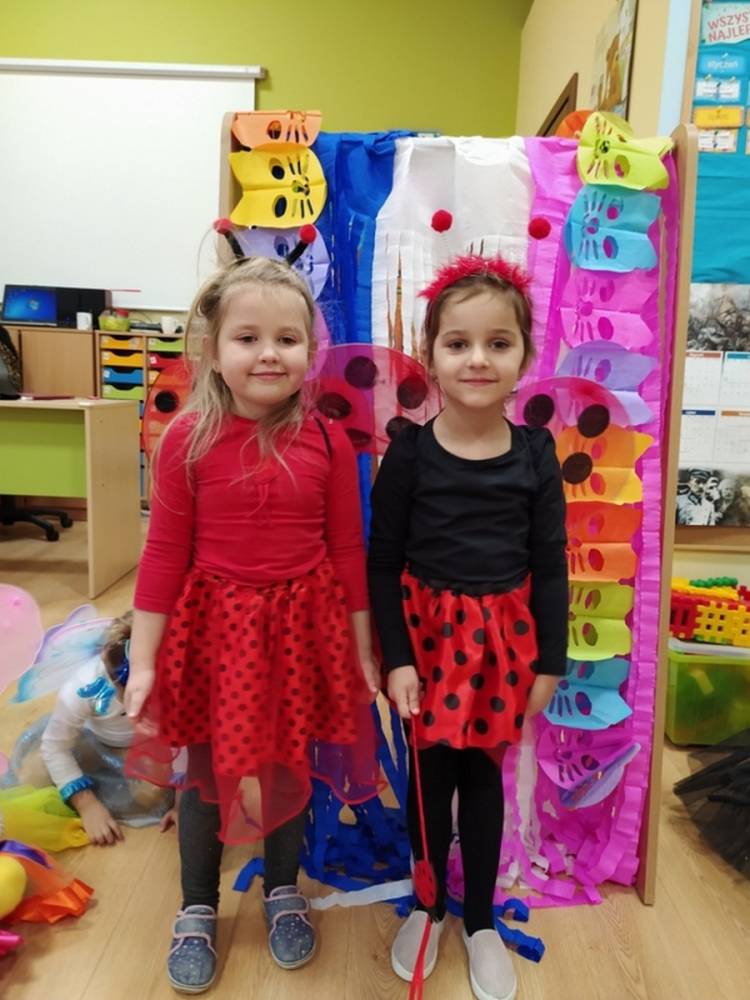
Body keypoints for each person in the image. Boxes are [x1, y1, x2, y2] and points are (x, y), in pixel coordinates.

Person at [124, 256, 380, 994]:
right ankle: (197, 905)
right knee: (207, 771)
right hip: (214, 634)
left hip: (300, 633)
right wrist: (144, 661)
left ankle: (283, 887)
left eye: (287, 339)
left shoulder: (328, 441)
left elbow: (347, 550)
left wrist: (363, 647)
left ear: (310, 350)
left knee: (285, 764)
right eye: (248, 338)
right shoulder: (186, 438)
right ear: (212, 349)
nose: (269, 353)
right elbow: (163, 554)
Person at [368, 254, 568, 1000]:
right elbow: (382, 562)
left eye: (497, 343)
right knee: (429, 782)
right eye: (458, 343)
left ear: (524, 354)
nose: (478, 359)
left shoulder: (536, 454)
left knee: (483, 779)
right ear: (431, 355)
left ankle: (479, 920)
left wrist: (550, 663)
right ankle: (427, 904)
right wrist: (396, 658)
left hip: (502, 651)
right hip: (426, 644)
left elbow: (550, 565)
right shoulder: (409, 452)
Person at [0, 611, 174, 845]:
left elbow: (191, 745)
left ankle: (91, 779)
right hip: (92, 740)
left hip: (146, 744)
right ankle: (81, 782)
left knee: (151, 795)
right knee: (32, 776)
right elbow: (55, 747)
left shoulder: (178, 686)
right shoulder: (84, 686)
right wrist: (87, 804)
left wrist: (182, 805)